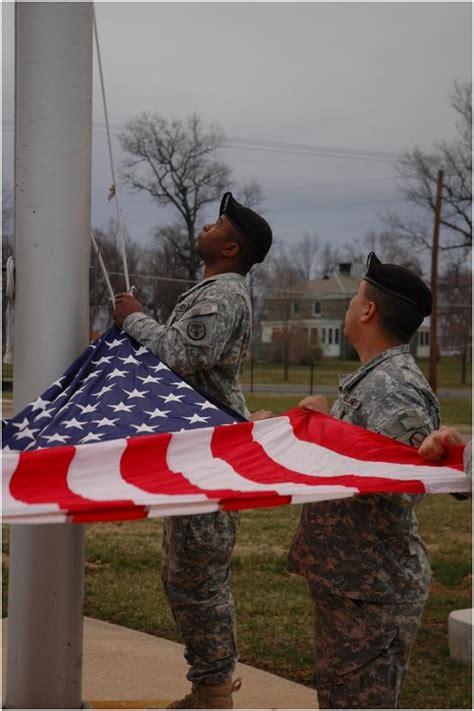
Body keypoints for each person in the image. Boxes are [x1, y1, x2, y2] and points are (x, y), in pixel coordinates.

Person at [113, 192, 272, 709]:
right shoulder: (214, 290)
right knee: (188, 578)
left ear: (229, 247)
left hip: (211, 455)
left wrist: (134, 319)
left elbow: (180, 354)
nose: (205, 224)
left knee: (199, 582)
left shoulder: (222, 295)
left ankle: (214, 693)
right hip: (197, 454)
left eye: (217, 222)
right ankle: (208, 686)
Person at [286, 252, 440, 709]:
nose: (349, 307)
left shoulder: (394, 388)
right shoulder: (373, 380)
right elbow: (360, 454)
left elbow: (402, 484)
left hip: (374, 594)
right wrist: (325, 427)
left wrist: (335, 434)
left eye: (354, 298)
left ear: (368, 310)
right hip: (355, 585)